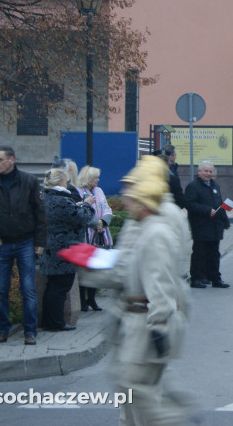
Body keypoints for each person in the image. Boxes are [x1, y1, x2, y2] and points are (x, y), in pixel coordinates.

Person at [76, 155, 194, 426]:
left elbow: (160, 278)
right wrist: (91, 263)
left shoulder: (159, 225)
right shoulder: (140, 221)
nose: (125, 195)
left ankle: (178, 418)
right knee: (130, 389)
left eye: (132, 188)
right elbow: (125, 266)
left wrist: (160, 326)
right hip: (133, 314)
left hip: (145, 315)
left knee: (137, 388)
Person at [0, 146, 46, 345]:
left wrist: (40, 242)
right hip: (2, 244)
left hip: (25, 243)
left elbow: (40, 213)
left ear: (11, 160)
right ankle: (2, 330)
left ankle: (30, 332)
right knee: (0, 290)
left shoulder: (29, 181)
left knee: (28, 289)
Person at [40, 168, 95, 331]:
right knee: (60, 288)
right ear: (59, 183)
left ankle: (48, 321)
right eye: (66, 181)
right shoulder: (61, 200)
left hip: (50, 249)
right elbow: (81, 218)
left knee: (52, 287)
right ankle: (56, 323)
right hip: (63, 251)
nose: (67, 184)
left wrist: (76, 206)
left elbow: (65, 215)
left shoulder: (47, 197)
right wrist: (87, 204)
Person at [185, 161, 231, 288]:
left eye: (210, 171)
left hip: (216, 226)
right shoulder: (193, 186)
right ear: (199, 172)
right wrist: (206, 211)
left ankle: (215, 278)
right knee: (200, 253)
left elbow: (220, 205)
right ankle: (197, 278)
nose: (208, 174)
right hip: (201, 225)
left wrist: (225, 221)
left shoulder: (215, 186)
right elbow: (189, 204)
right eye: (205, 171)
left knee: (214, 254)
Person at [77, 165, 112, 312]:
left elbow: (107, 208)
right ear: (88, 178)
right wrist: (94, 223)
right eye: (95, 177)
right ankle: (82, 300)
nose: (98, 180)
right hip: (87, 233)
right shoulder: (78, 191)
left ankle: (92, 298)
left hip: (100, 233)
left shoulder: (99, 191)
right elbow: (79, 211)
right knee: (84, 267)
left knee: (96, 268)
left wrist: (102, 222)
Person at [158, 145, 186, 209]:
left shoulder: (174, 168)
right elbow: (179, 197)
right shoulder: (172, 175)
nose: (176, 157)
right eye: (175, 155)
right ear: (170, 157)